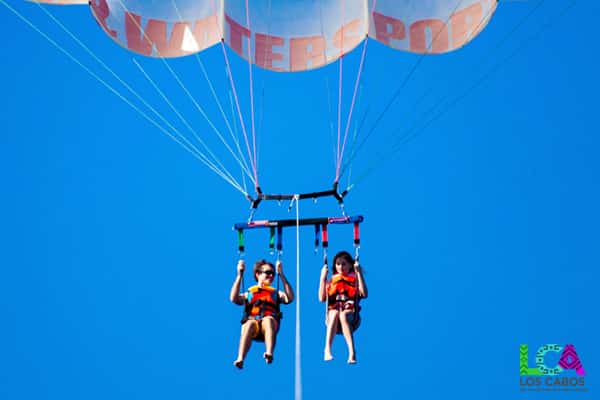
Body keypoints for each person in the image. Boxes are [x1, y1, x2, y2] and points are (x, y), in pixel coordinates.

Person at [230, 259, 294, 369]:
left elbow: (290, 298)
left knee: (268, 320)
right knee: (249, 324)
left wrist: (281, 275)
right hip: (253, 324)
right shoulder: (250, 293)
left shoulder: (275, 293)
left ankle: (269, 353)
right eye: (268, 272)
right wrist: (239, 275)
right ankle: (240, 358)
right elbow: (234, 298)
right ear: (258, 274)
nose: (271, 276)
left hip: (268, 325)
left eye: (273, 274)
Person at [318, 251, 368, 364]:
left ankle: (352, 352)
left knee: (343, 314)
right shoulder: (331, 281)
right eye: (338, 264)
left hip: (351, 316)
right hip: (333, 316)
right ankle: (327, 350)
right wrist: (322, 278)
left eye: (344, 264)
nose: (340, 267)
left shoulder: (355, 280)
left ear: (350, 265)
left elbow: (364, 294)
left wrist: (359, 273)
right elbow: (321, 298)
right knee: (335, 312)